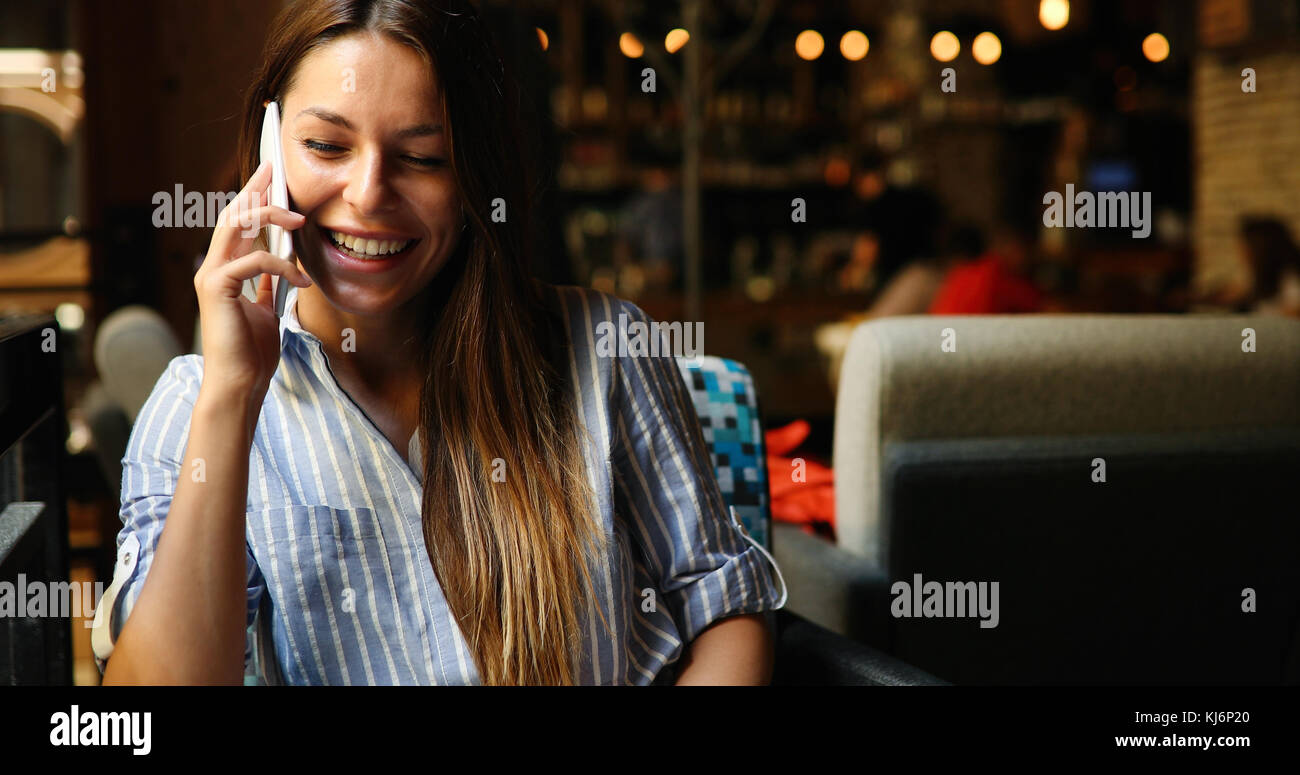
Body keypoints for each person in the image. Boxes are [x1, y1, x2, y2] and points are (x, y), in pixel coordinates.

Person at [94, 0, 781, 686]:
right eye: (327, 146)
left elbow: (726, 603)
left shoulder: (607, 347)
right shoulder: (195, 403)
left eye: (423, 157)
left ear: (473, 179)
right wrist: (232, 396)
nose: (366, 195)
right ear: (270, 148)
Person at [1237, 217, 1300, 316]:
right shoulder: (1265, 275)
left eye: (1246, 247)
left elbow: (1292, 316)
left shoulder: (1290, 279)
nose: (1241, 253)